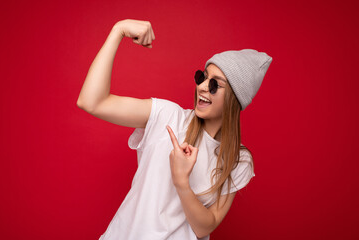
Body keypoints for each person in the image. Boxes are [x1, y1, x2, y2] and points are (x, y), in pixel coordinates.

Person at [77, 19, 272, 240]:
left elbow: (204, 227)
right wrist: (117, 30)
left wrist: (181, 181)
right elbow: (92, 102)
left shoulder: (238, 159)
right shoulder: (167, 116)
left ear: (235, 99)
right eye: (203, 77)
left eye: (215, 84)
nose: (202, 87)